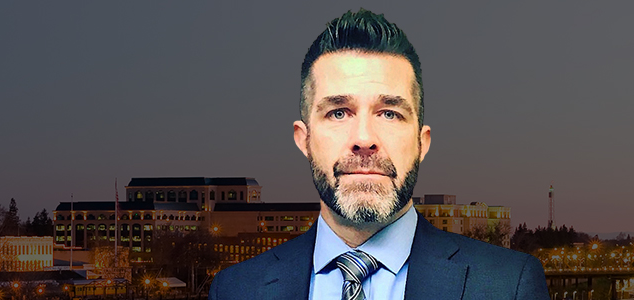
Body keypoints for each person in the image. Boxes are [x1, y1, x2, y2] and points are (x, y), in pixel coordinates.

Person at [208, 8, 547, 300]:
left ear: (421, 143)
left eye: (389, 113)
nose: (364, 139)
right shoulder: (237, 289)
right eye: (338, 112)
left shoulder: (507, 285)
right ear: (304, 139)